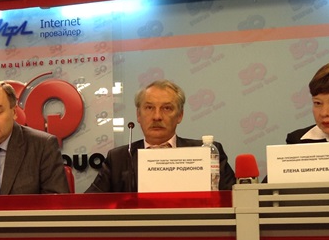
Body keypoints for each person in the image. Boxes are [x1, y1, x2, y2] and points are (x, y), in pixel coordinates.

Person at [86, 80, 236, 193]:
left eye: (167, 108)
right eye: (149, 108)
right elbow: (90, 205)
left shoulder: (207, 153)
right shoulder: (119, 158)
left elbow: (234, 200)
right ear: (138, 115)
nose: (157, 116)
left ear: (180, 115)